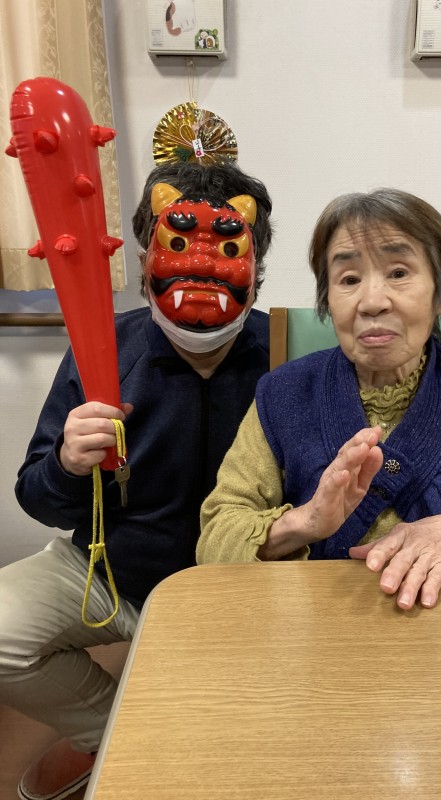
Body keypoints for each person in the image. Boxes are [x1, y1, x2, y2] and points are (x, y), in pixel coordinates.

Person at [0, 159, 273, 800]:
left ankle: (187, 728)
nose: (199, 269)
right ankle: (113, 726)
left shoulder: (289, 355)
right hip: (111, 576)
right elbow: (35, 494)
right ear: (148, 258)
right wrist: (67, 464)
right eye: (175, 246)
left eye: (226, 251)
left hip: (241, 594)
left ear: (256, 266)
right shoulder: (104, 349)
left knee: (245, 737)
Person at [198, 188, 441, 605]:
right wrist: (305, 522)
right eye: (349, 279)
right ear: (328, 302)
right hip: (316, 622)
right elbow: (215, 540)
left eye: (399, 273)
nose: (372, 302)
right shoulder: (283, 394)